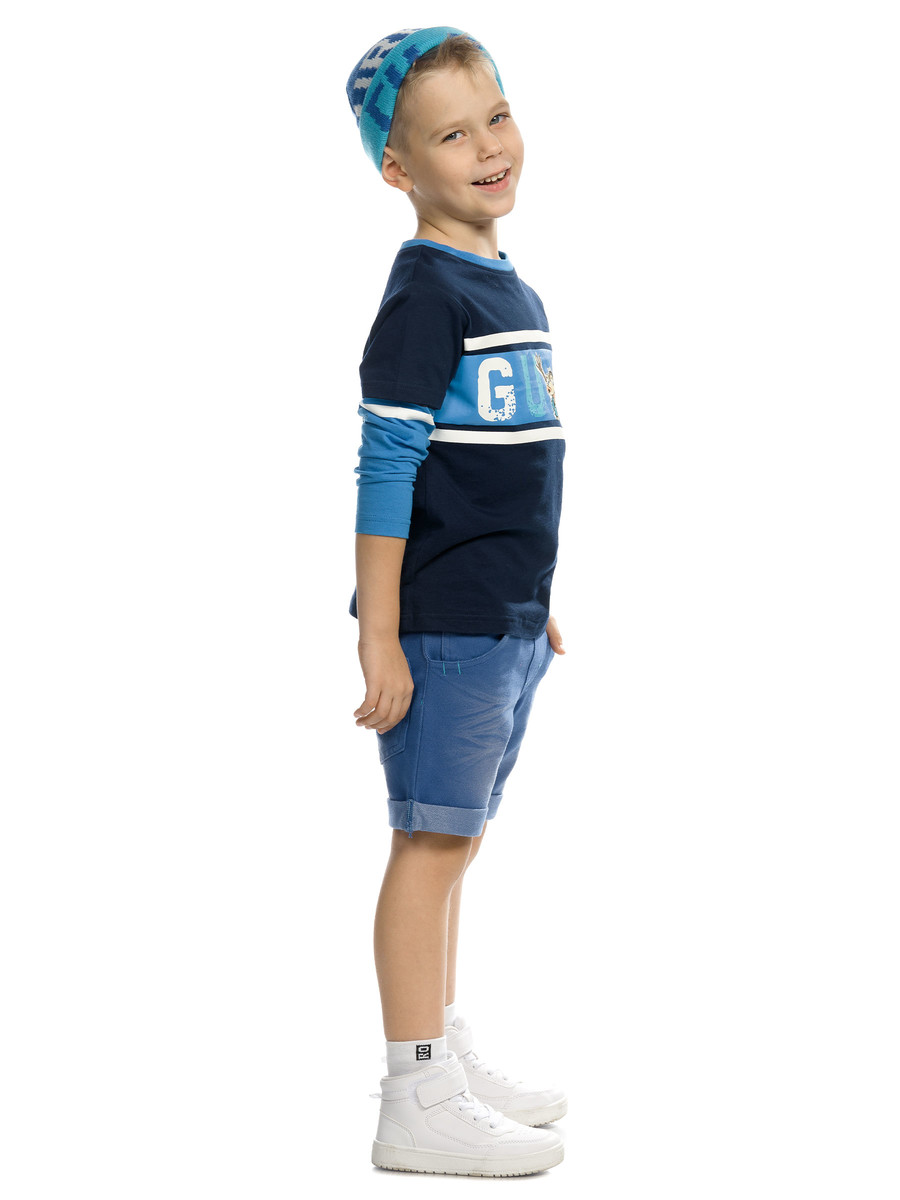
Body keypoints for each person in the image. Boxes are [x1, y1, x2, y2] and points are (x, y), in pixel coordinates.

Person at [346, 27, 567, 1177]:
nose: (488, 148)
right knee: (429, 842)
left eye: (497, 117)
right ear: (399, 168)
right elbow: (389, 469)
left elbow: (508, 470)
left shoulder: (506, 283)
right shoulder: (426, 296)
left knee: (458, 838)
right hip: (444, 624)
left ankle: (440, 1045)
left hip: (504, 619)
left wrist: (536, 598)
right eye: (451, 134)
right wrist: (383, 635)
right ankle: (413, 1090)